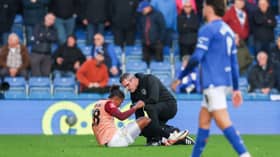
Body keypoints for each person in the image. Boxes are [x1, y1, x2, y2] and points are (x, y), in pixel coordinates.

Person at [173, 1, 251, 156]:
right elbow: (234, 63)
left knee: (223, 121)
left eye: (203, 6)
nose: (202, 9)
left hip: (213, 82)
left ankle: (245, 154)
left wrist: (180, 77)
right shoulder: (228, 30)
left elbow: (196, 57)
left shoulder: (207, 29)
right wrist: (236, 88)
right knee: (204, 122)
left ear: (209, 8)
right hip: (224, 81)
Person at [120, 73, 195, 146]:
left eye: (127, 85)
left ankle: (167, 135)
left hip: (169, 106)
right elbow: (139, 114)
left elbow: (153, 99)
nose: (127, 89)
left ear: (133, 80)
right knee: (143, 128)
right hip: (154, 112)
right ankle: (176, 136)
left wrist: (142, 103)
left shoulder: (149, 79)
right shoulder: (133, 92)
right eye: (124, 87)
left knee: (150, 108)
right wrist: (141, 126)